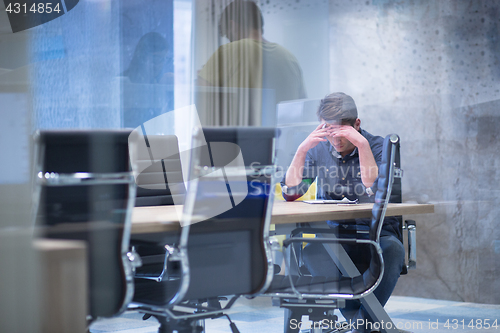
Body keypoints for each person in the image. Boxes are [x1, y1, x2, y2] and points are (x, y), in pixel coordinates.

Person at [281, 92, 405, 333]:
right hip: (334, 234)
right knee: (313, 253)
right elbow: (292, 192)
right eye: (329, 130)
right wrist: (302, 149)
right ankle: (361, 325)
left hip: (376, 233)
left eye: (341, 131)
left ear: (357, 124)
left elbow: (373, 187)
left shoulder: (379, 146)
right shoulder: (319, 150)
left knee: (393, 250)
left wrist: (361, 143)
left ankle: (360, 326)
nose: (335, 139)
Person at [197, 0, 306, 126]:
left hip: (239, 142)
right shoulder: (289, 58)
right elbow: (301, 107)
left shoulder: (228, 52)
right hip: (282, 142)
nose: (229, 40)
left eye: (227, 35)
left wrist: (203, 75)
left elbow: (200, 98)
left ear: (233, 26)